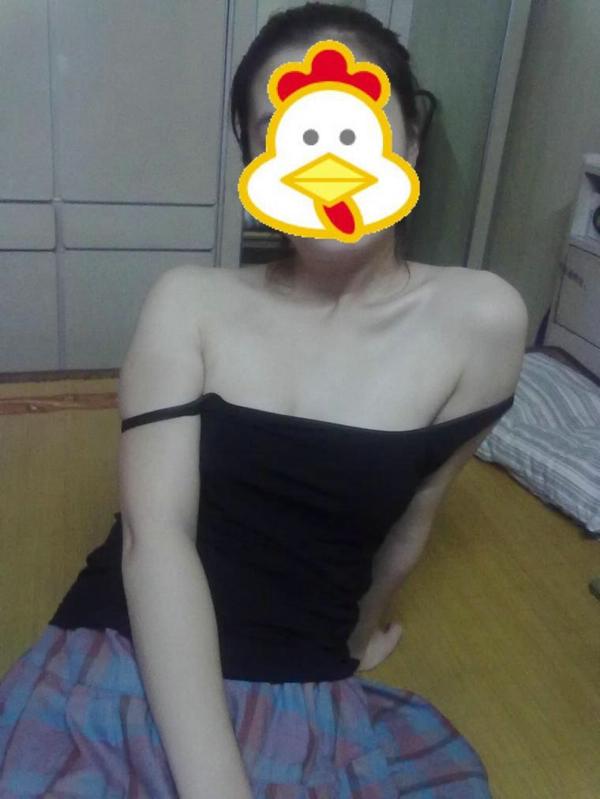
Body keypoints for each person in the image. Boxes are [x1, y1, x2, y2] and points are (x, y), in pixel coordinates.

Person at [0, 3, 527, 797]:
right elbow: (155, 537)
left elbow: (413, 514)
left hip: (302, 683)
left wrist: (352, 641)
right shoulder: (189, 301)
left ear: (410, 139)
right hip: (126, 658)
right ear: (256, 162)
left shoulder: (482, 320)